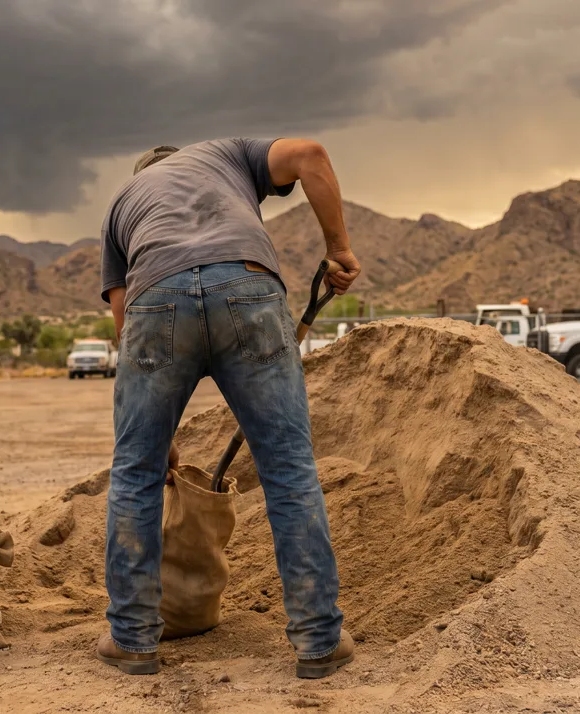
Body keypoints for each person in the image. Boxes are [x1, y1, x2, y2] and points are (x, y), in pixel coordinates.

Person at [96, 137, 361, 678]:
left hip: (155, 298)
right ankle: (317, 641)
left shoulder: (123, 203)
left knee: (134, 473)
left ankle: (133, 640)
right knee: (288, 468)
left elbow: (126, 330)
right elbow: (310, 153)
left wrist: (156, 437)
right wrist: (339, 249)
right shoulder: (230, 154)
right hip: (246, 287)